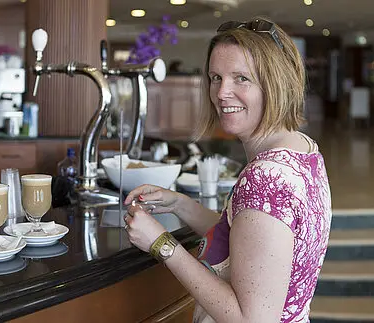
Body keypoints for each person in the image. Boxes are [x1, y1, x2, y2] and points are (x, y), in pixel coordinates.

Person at [123, 17, 332, 323]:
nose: (221, 92)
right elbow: (251, 238)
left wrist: (162, 244)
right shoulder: (303, 150)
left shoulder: (265, 179)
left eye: (241, 78)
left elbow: (251, 320)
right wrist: (180, 204)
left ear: (274, 84)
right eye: (216, 77)